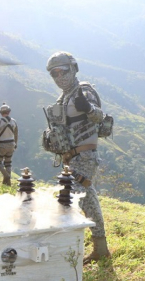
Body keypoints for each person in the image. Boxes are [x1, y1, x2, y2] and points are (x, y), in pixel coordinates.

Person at [45, 51, 110, 263]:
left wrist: (88, 108)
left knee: (70, 197)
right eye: (54, 74)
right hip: (71, 157)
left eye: (62, 71)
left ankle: (64, 249)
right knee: (87, 200)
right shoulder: (62, 98)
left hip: (85, 155)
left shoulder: (83, 92)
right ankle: (100, 248)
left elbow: (99, 117)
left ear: (73, 69)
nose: (59, 77)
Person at [0, 103, 18, 186]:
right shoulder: (14, 121)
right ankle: (7, 183)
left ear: (0, 112)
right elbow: (16, 135)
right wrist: (15, 144)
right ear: (9, 112)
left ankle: (6, 175)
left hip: (2, 144)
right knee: (8, 163)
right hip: (11, 144)